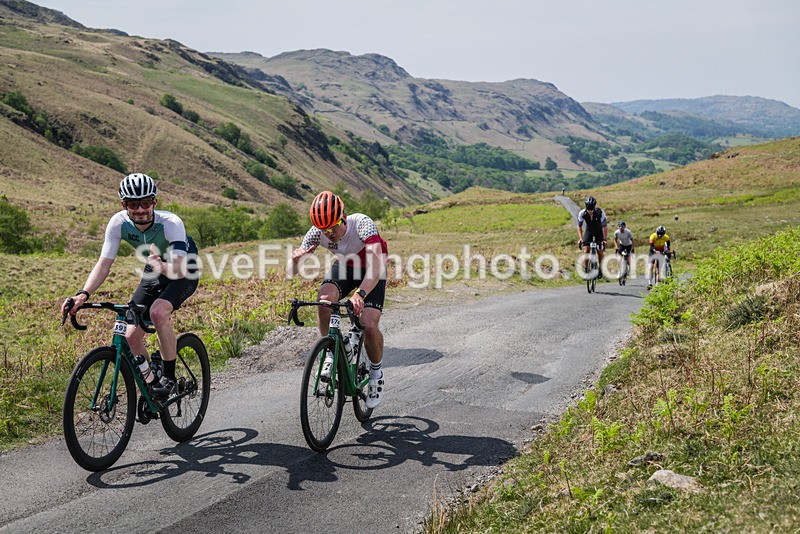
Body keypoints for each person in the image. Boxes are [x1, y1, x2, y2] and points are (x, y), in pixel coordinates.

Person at [61, 173, 199, 397]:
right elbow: (104, 264)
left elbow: (180, 270)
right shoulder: (118, 223)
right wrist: (83, 294)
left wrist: (161, 266)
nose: (141, 210)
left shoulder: (171, 223)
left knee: (158, 312)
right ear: (123, 204)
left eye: (146, 203)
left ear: (155, 202)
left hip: (181, 268)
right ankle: (151, 382)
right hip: (154, 268)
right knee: (129, 335)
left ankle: (169, 378)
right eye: (134, 204)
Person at [289, 191, 389, 409]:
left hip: (373, 269)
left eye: (333, 226)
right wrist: (295, 261)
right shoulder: (317, 231)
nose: (329, 233)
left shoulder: (363, 224)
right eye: (324, 229)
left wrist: (360, 294)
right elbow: (293, 271)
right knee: (325, 300)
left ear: (343, 216)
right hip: (346, 266)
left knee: (368, 325)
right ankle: (331, 351)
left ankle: (376, 372)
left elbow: (375, 268)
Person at [576, 196, 608, 277]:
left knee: (600, 252)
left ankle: (600, 270)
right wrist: (580, 238)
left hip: (598, 232)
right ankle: (586, 269)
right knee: (586, 250)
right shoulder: (582, 213)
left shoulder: (600, 213)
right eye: (588, 209)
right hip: (589, 231)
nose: (590, 211)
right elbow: (579, 227)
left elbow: (605, 227)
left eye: (592, 209)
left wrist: (604, 239)